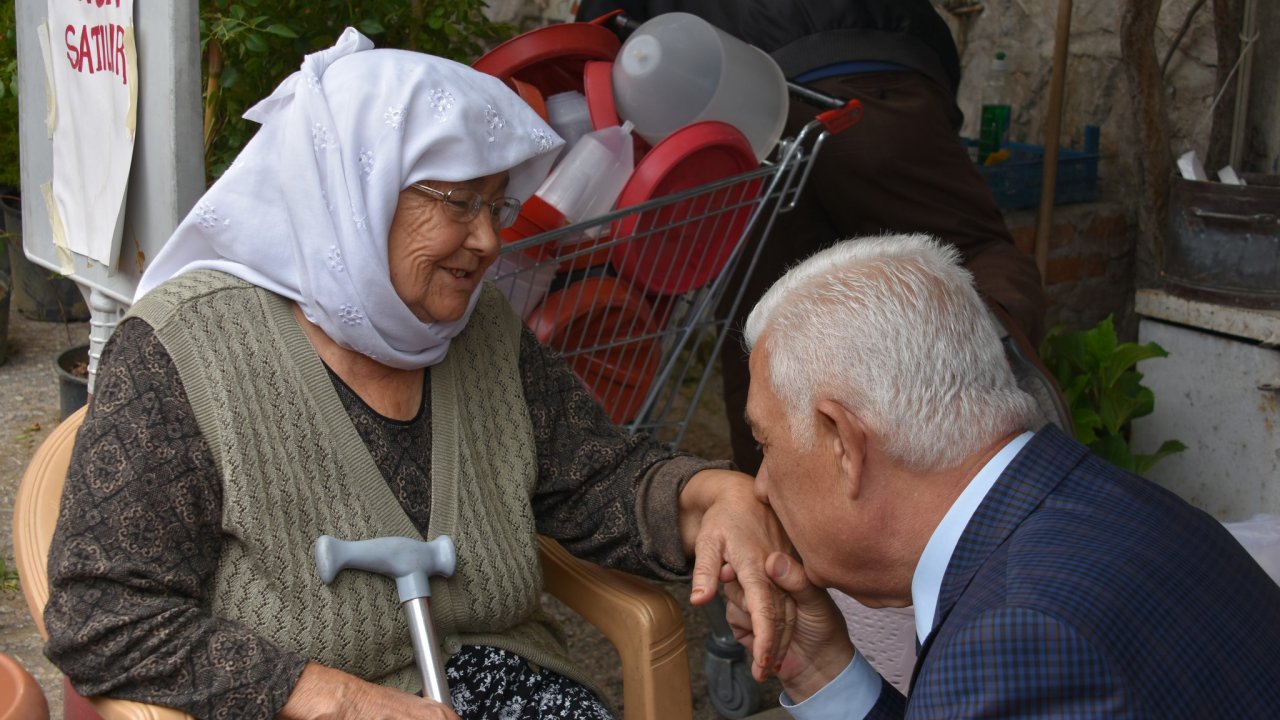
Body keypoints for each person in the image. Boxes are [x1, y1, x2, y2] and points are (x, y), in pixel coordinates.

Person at [42, 30, 792, 720]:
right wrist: (339, 699)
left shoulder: (479, 328)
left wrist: (711, 494)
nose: (490, 240)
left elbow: (595, 478)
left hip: (511, 690)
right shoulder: (186, 348)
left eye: (497, 204)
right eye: (459, 203)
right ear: (353, 191)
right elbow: (104, 615)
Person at [722, 233, 1280, 717]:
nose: (764, 482)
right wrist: (822, 670)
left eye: (765, 444)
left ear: (844, 442)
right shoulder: (1131, 507)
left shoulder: (1014, 635)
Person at [576, 0, 1046, 474]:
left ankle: (781, 519)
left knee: (764, 326)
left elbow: (601, 35)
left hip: (743, 105)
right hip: (872, 68)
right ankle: (988, 382)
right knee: (969, 255)